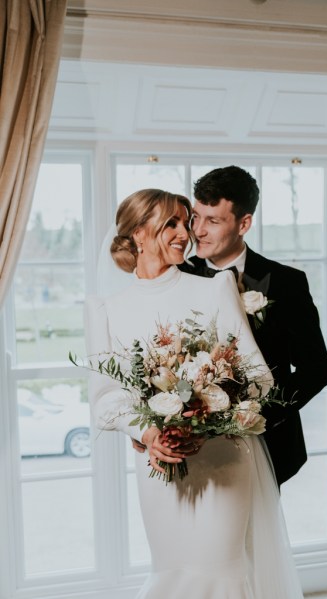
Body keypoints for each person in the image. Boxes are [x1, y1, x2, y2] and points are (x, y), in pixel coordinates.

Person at [85, 188, 304, 598]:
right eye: (170, 223)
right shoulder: (106, 309)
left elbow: (259, 378)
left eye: (185, 223)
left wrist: (206, 415)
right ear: (138, 235)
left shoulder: (215, 288)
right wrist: (149, 433)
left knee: (221, 572)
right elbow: (104, 397)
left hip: (222, 457)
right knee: (173, 571)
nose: (185, 233)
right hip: (160, 465)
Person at [180, 165, 327, 487]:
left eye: (213, 220)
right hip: (191, 447)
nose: (198, 231)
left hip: (266, 444)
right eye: (196, 217)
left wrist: (257, 415)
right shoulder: (177, 277)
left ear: (244, 223)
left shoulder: (287, 283)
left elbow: (316, 369)